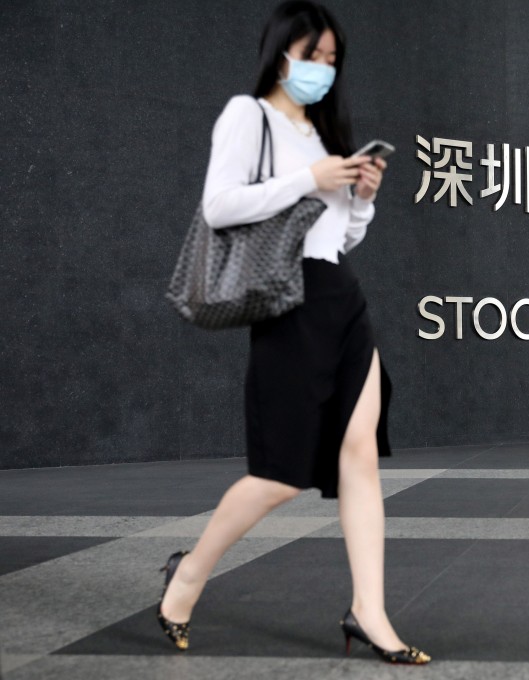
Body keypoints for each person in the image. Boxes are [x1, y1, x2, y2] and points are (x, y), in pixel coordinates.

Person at [156, 1, 430, 666]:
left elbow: (341, 238)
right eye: (314, 56)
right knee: (280, 475)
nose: (323, 70)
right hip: (287, 302)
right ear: (281, 53)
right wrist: (309, 179)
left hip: (340, 296)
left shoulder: (322, 134)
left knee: (360, 453)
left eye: (333, 60)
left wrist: (359, 194)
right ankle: (188, 574)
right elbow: (219, 206)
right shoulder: (247, 116)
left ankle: (369, 610)